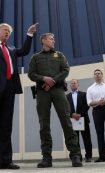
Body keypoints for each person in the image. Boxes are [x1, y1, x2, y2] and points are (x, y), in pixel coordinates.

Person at [28, 33, 82, 168]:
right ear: (43, 41)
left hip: (58, 90)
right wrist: (43, 79)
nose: (53, 41)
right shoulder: (36, 57)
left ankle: (75, 155)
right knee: (44, 124)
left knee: (66, 121)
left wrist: (52, 81)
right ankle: (46, 157)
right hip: (42, 93)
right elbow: (31, 74)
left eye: (53, 39)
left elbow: (65, 70)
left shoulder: (59, 55)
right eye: (51, 39)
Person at [0, 23, 38, 169]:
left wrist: (29, 35)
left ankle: (6, 160)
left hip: (9, 89)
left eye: (9, 32)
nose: (7, 33)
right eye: (5, 30)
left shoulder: (12, 49)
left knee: (6, 126)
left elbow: (25, 50)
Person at [66, 79, 93, 162]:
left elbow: (87, 105)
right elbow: (65, 108)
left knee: (87, 139)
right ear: (70, 86)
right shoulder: (67, 96)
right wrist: (72, 114)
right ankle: (78, 157)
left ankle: (88, 156)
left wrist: (80, 114)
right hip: (73, 120)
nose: (73, 84)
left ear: (78, 85)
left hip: (83, 119)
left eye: (75, 83)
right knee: (75, 140)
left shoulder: (84, 94)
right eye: (72, 83)